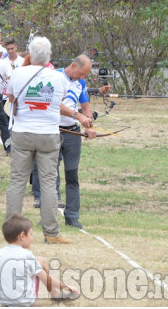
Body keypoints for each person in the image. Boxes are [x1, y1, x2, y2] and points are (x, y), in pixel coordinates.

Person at [5, 36, 71, 244]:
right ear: (49, 55)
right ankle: (51, 232)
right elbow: (59, 100)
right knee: (48, 184)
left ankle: (13, 231)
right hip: (48, 134)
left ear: (29, 54)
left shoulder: (17, 73)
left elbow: (10, 98)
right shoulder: (58, 77)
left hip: (23, 131)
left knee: (17, 181)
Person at [0, 213, 80, 306]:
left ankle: (55, 293)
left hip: (1, 301)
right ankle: (55, 293)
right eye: (31, 234)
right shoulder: (28, 256)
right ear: (22, 236)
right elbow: (48, 280)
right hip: (25, 302)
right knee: (40, 263)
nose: (32, 239)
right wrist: (66, 287)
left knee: (37, 262)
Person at [56, 55, 96, 229]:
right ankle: (49, 215)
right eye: (81, 73)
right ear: (73, 65)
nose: (82, 78)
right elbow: (54, 104)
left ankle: (72, 216)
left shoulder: (80, 83)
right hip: (52, 131)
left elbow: (86, 106)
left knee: (72, 175)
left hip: (72, 133)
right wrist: (77, 115)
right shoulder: (54, 77)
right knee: (49, 175)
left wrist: (88, 124)